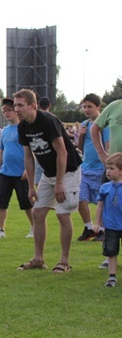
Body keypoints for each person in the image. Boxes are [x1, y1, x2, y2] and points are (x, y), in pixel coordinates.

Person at [14, 88, 82, 273]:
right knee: (37, 213)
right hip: (49, 173)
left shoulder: (48, 120)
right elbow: (28, 157)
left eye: (20, 105)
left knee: (62, 214)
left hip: (68, 171)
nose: (16, 109)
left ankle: (64, 261)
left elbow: (63, 152)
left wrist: (59, 182)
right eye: (15, 105)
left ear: (33, 106)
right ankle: (38, 259)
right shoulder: (22, 126)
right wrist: (31, 186)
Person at [0, 98, 34, 239]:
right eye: (4, 111)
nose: (6, 113)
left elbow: (31, 151)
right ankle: (0, 230)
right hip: (5, 171)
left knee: (26, 202)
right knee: (1, 201)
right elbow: (2, 152)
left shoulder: (24, 128)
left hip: (21, 173)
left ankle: (34, 227)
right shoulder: (4, 131)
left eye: (9, 110)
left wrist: (27, 170)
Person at [76, 94, 110, 242]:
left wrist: (108, 163)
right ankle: (89, 227)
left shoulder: (105, 124)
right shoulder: (85, 124)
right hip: (85, 167)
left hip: (100, 168)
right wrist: (81, 135)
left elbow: (108, 145)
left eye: (90, 106)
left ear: (98, 107)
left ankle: (102, 229)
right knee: (80, 197)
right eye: (84, 106)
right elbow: (80, 148)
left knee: (102, 201)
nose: (86, 109)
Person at [95, 153, 122, 287]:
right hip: (111, 226)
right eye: (107, 168)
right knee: (111, 251)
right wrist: (97, 222)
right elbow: (100, 206)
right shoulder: (105, 188)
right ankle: (112, 276)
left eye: (111, 168)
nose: (108, 171)